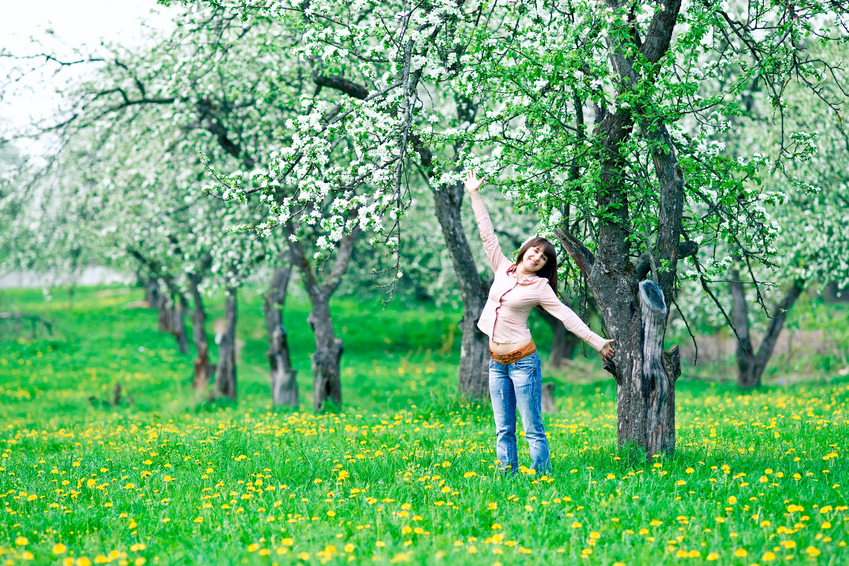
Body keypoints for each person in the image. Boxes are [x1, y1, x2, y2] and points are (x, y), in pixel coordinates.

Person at [464, 170, 615, 476]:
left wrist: (597, 342)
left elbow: (566, 316)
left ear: (545, 266)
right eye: (534, 251)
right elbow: (486, 233)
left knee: (532, 427)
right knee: (502, 428)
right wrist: (474, 194)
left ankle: (543, 477)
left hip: (523, 362)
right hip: (496, 362)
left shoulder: (540, 288)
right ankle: (508, 477)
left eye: (543, 258)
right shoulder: (501, 266)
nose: (536, 258)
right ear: (525, 250)